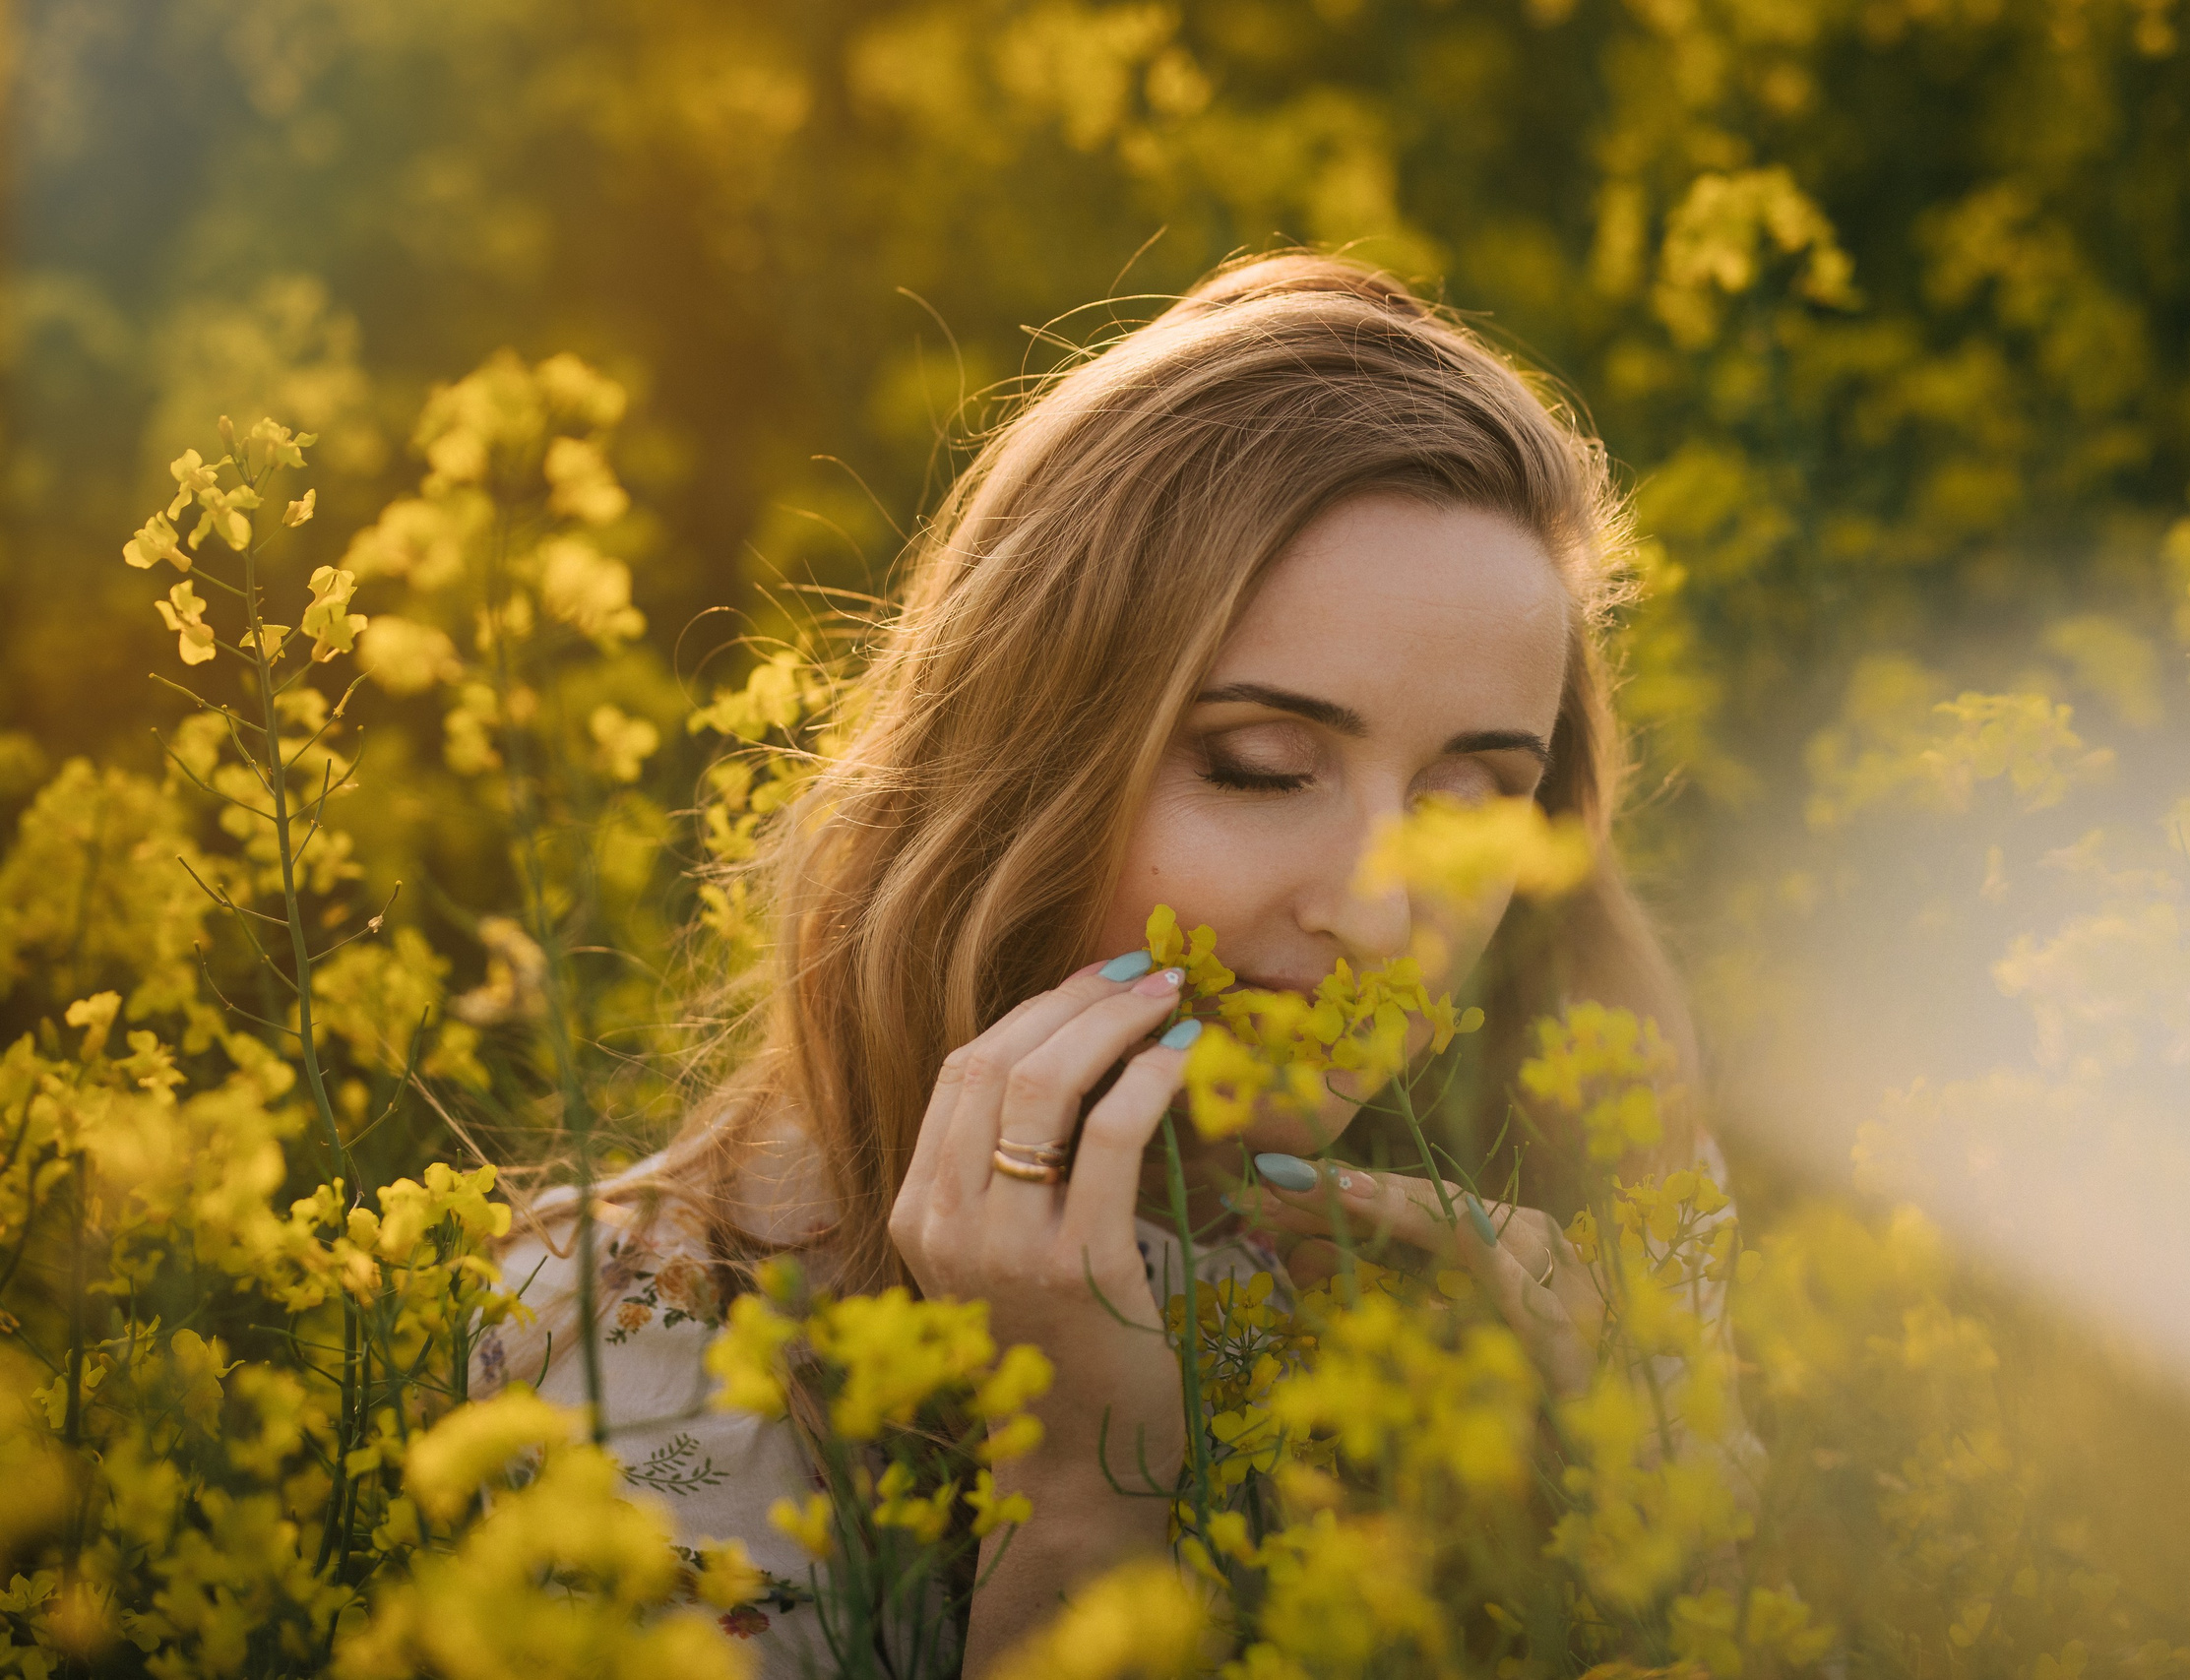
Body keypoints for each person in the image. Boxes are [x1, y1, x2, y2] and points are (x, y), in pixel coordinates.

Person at [473, 249, 1713, 1677]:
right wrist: (1076, 1507)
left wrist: (1656, 1540)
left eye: (1472, 797)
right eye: (1257, 767)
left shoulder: (1586, 1253)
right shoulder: (654, 1323)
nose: (1381, 919)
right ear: (1026, 775)